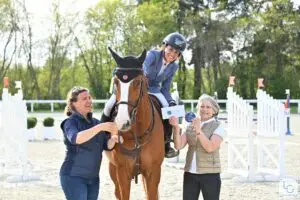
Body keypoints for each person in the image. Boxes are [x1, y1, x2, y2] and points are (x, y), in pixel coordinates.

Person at [101, 32, 187, 158]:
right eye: (170, 49)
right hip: (132, 85)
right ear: (165, 46)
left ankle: (166, 144)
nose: (172, 54)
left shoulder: (174, 66)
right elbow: (143, 72)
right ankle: (102, 136)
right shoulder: (152, 55)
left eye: (176, 52)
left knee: (168, 111)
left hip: (154, 90)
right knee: (109, 105)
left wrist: (171, 102)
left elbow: (166, 88)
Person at [60, 86, 119, 200]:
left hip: (93, 179)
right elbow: (76, 138)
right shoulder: (70, 122)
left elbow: (106, 146)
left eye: (89, 97)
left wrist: (113, 139)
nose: (89, 101)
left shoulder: (95, 122)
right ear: (74, 104)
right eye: (84, 99)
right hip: (73, 177)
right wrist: (101, 127)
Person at [170, 94, 225, 200]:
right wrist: (176, 128)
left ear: (214, 111)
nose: (204, 109)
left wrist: (199, 131)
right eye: (202, 106)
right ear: (198, 108)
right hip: (190, 174)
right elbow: (178, 145)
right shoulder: (190, 125)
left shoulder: (219, 126)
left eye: (208, 107)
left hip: (210, 174)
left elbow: (210, 147)